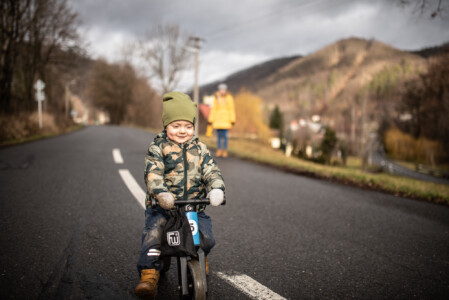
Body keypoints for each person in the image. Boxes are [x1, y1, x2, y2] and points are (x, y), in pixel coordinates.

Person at [135, 91, 225, 299]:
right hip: (164, 207)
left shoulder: (200, 148)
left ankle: (200, 259)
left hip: (194, 206)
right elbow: (153, 173)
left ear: (194, 127)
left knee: (206, 237)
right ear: (166, 125)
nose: (182, 131)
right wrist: (161, 194)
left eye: (188, 126)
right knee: (154, 237)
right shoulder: (158, 147)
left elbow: (211, 171)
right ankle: (149, 275)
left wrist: (216, 188)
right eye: (176, 126)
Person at [208, 83, 235, 158]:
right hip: (218, 120)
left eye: (223, 90)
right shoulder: (216, 98)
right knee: (219, 137)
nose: (222, 91)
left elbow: (231, 109)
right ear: (219, 90)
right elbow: (213, 110)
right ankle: (219, 150)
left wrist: (232, 119)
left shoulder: (229, 98)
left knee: (225, 136)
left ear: (225, 90)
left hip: (226, 120)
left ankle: (225, 150)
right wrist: (211, 119)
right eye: (221, 90)